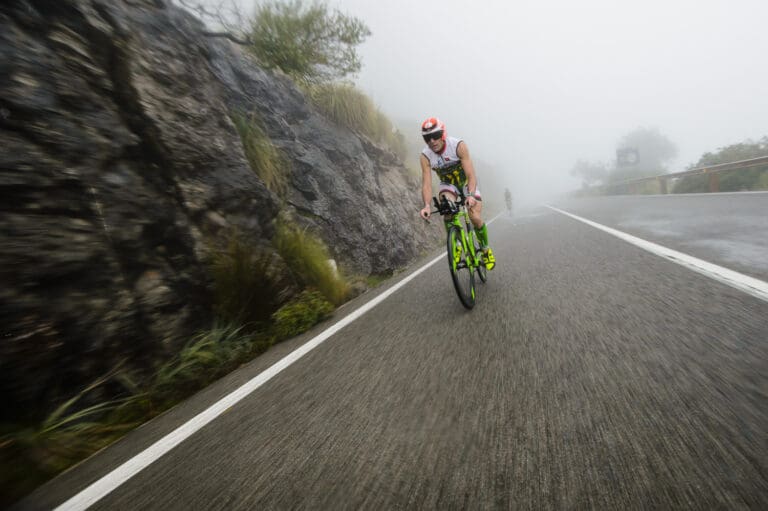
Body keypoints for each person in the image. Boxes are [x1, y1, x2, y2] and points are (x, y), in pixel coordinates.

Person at [418, 117, 495, 270]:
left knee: (474, 216)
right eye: (427, 138)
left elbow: (471, 175)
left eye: (435, 135)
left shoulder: (458, 146)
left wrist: (471, 195)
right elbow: (426, 183)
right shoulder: (425, 156)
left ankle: (485, 249)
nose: (432, 141)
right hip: (449, 186)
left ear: (443, 133)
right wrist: (426, 205)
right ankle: (458, 243)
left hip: (466, 184)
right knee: (447, 209)